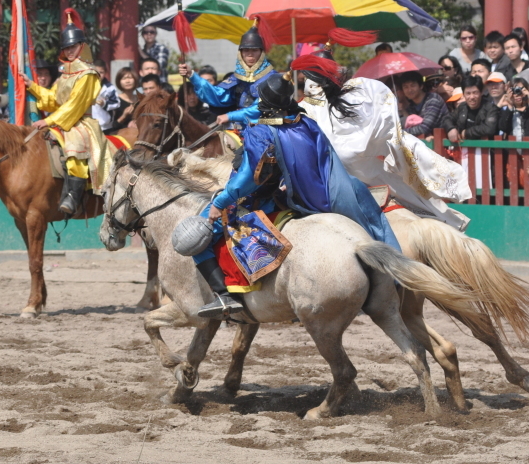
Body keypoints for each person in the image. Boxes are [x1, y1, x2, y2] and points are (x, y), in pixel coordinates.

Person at [188, 67, 401, 320]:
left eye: (260, 101)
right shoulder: (306, 122)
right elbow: (319, 158)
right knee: (375, 217)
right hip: (326, 190)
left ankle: (224, 296)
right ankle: (396, 269)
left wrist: (221, 202)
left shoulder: (261, 133)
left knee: (199, 236)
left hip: (277, 199)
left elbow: (248, 179)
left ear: (265, 103)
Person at [24, 12, 111, 216]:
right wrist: (33, 87)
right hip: (61, 119)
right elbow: (54, 100)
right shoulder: (65, 74)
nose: (70, 51)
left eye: (73, 47)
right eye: (66, 48)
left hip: (80, 122)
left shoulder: (88, 74)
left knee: (75, 147)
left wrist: (49, 120)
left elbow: (75, 106)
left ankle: (73, 195)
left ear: (82, 46)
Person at [178, 24, 274, 117]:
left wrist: (230, 116)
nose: (250, 54)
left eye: (254, 50)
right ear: (240, 53)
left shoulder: (272, 78)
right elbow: (218, 96)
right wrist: (192, 75)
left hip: (267, 129)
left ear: (261, 53)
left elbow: (260, 108)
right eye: (246, 50)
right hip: (240, 127)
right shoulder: (238, 78)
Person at [447, 75, 499, 142]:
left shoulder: (490, 108)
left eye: (475, 93)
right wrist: (451, 128)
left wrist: (467, 133)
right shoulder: (462, 107)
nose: (472, 97)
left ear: (481, 92)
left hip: (485, 150)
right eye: (468, 93)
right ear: (463, 94)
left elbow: (489, 128)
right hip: (464, 150)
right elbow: (447, 118)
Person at [399, 70, 449, 138]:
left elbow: (424, 128)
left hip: (443, 144)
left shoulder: (433, 99)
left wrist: (399, 133)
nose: (409, 90)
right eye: (405, 87)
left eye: (412, 85)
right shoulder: (411, 107)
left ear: (421, 86)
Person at [91, 59, 119, 132]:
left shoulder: (109, 88)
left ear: (106, 72)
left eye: (101, 72)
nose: (98, 75)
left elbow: (116, 103)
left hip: (105, 126)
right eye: (95, 72)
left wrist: (104, 104)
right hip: (89, 124)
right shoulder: (85, 87)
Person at [112, 67, 138, 131]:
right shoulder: (115, 101)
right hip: (119, 137)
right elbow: (111, 126)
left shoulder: (140, 100)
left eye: (130, 78)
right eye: (124, 78)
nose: (127, 81)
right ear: (119, 82)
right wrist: (124, 116)